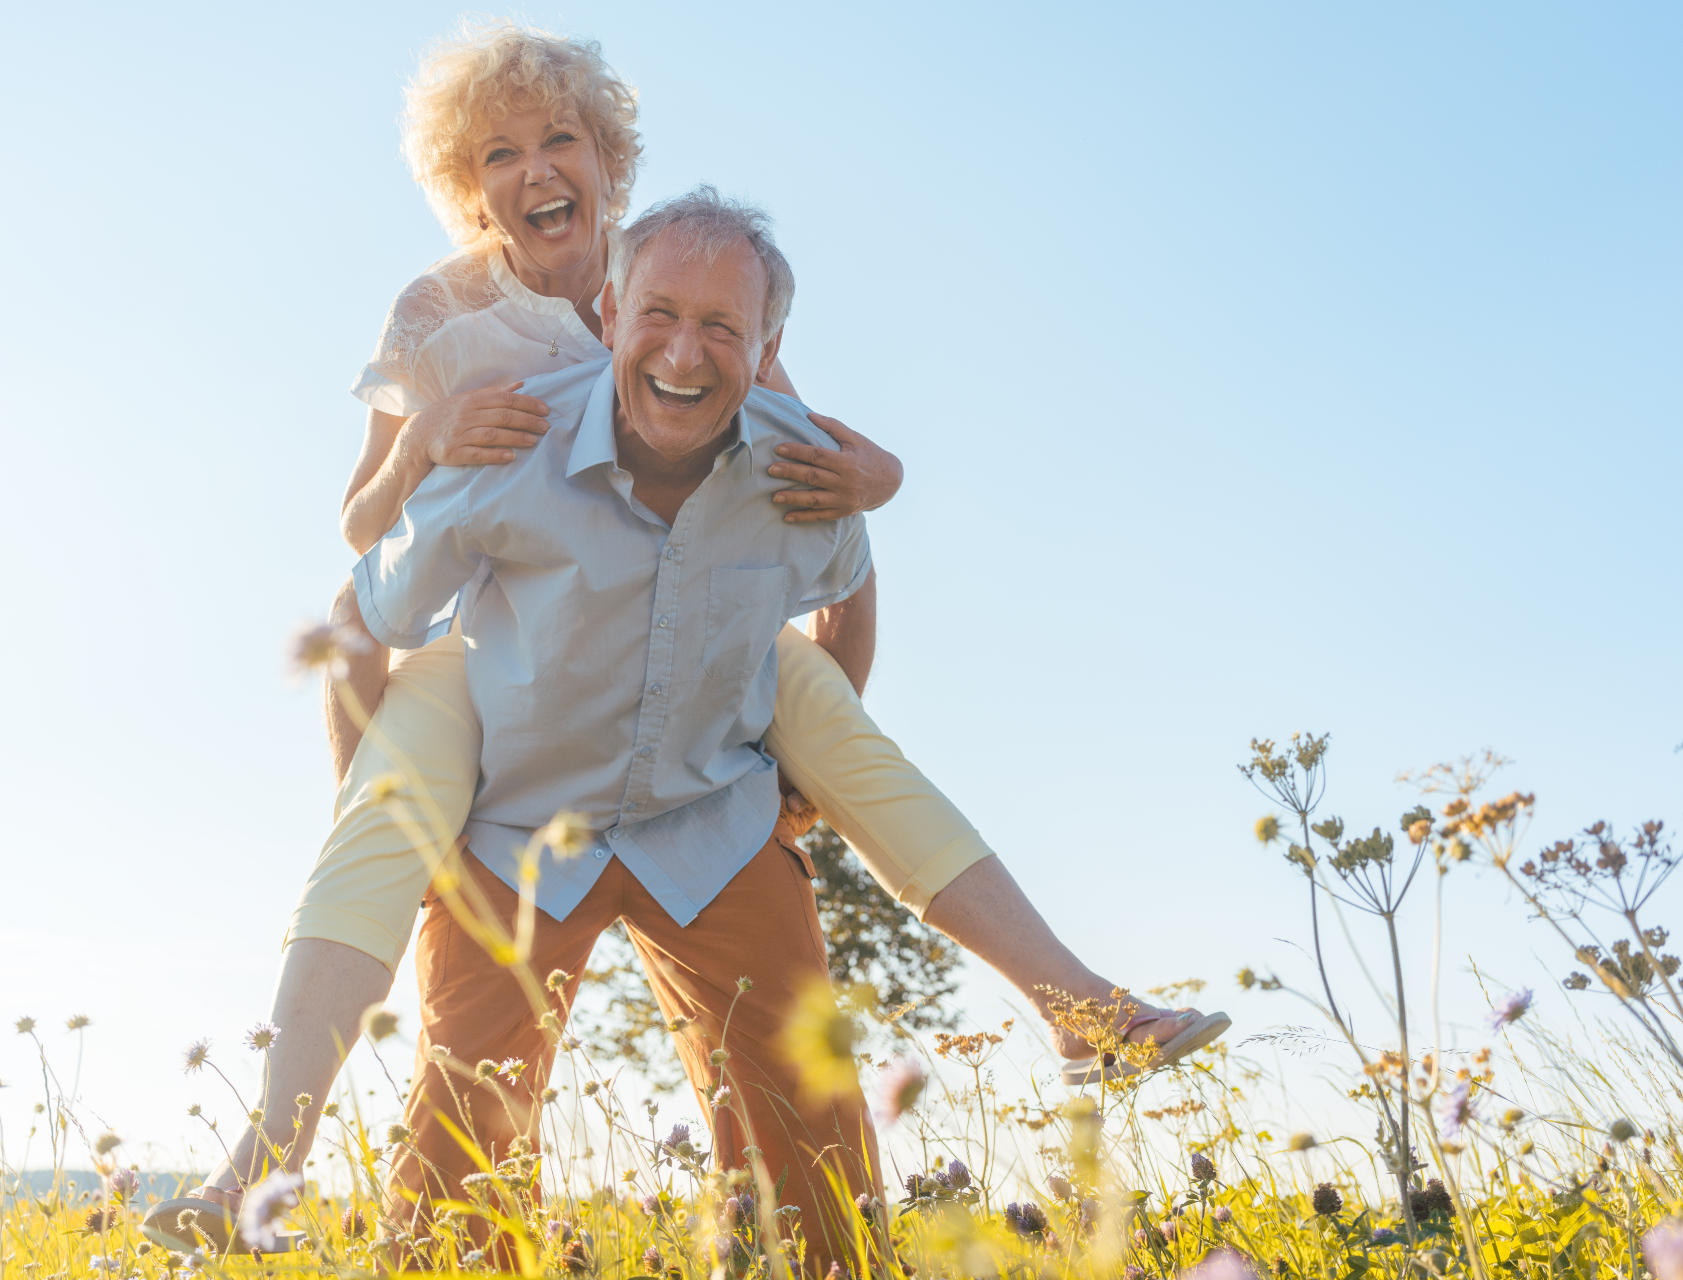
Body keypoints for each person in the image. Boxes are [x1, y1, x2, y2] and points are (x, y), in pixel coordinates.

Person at [142, 21, 1227, 1258]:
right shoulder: (454, 328)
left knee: (833, 760)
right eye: (501, 152)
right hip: (514, 715)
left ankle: (1069, 995)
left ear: (611, 162)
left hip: (700, 757)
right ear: (467, 186)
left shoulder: (687, 296)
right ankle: (263, 1157)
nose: (537, 166)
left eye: (562, 139)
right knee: (448, 1128)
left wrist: (873, 496)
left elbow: (821, 486)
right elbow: (360, 556)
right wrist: (427, 438)